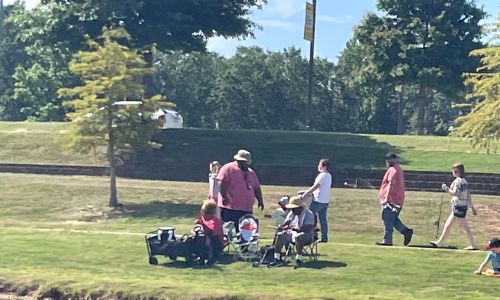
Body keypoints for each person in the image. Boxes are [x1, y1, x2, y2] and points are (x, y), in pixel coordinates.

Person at [430, 163, 478, 250]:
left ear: (456, 171)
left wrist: (446, 188)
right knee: (448, 225)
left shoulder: (457, 181)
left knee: (464, 227)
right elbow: (468, 195)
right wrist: (472, 207)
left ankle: (473, 245)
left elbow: (455, 193)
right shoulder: (464, 182)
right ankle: (439, 243)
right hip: (461, 206)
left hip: (458, 207)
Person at [216, 149, 264, 231]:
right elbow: (221, 183)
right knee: (226, 231)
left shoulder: (251, 173)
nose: (248, 164)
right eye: (246, 162)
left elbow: (256, 188)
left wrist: (260, 200)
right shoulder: (228, 168)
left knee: (245, 232)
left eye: (248, 162)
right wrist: (224, 197)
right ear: (239, 161)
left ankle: (244, 243)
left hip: (246, 210)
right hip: (229, 208)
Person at [268, 196, 315, 269]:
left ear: (299, 207)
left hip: (307, 235)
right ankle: (277, 259)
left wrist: (296, 229)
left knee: (298, 236)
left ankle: (298, 259)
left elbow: (308, 228)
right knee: (280, 235)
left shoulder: (309, 214)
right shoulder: (292, 213)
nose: (292, 210)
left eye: (294, 208)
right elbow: (287, 222)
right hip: (293, 233)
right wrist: (282, 226)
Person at [376, 153, 413, 246]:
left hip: (391, 200)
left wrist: (387, 197)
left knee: (387, 219)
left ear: (394, 159)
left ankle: (387, 241)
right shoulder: (398, 169)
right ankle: (406, 231)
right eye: (387, 159)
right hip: (397, 200)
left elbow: (391, 184)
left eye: (389, 159)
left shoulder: (393, 170)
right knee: (393, 219)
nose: (387, 161)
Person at [300, 158, 332, 242]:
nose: (318, 166)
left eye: (319, 164)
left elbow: (316, 187)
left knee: (309, 217)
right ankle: (324, 237)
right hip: (325, 201)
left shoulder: (322, 175)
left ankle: (310, 236)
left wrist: (305, 194)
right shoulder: (329, 175)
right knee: (322, 220)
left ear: (323, 166)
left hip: (318, 201)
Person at [194, 200, 224, 264]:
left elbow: (211, 233)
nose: (204, 214)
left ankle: (211, 259)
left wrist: (202, 225)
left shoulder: (216, 221)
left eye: (207, 212)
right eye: (203, 211)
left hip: (216, 245)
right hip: (203, 242)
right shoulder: (201, 219)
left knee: (211, 238)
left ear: (212, 213)